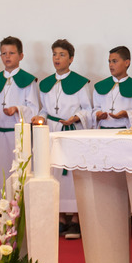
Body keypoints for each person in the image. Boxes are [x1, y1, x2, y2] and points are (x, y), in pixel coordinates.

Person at [0, 36, 39, 232]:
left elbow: (34, 108)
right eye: (4, 53)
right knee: (2, 176)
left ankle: (20, 222)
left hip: (19, 136)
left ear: (21, 56)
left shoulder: (28, 81)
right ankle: (3, 220)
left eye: (12, 53)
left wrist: (17, 109)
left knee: (19, 176)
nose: (7, 56)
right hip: (0, 136)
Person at [33, 39, 92, 239]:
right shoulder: (46, 83)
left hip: (72, 131)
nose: (57, 58)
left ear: (71, 59)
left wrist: (75, 118)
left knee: (73, 176)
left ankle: (76, 219)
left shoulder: (80, 83)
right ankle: (59, 218)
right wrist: (40, 117)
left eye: (62, 54)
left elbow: (88, 110)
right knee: (54, 173)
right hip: (52, 131)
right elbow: (44, 109)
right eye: (54, 54)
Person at [92, 46, 132, 130]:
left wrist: (126, 114)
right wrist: (98, 114)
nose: (111, 65)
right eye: (109, 61)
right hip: (103, 131)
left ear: (126, 63)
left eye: (114, 61)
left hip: (126, 132)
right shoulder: (100, 86)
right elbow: (95, 109)